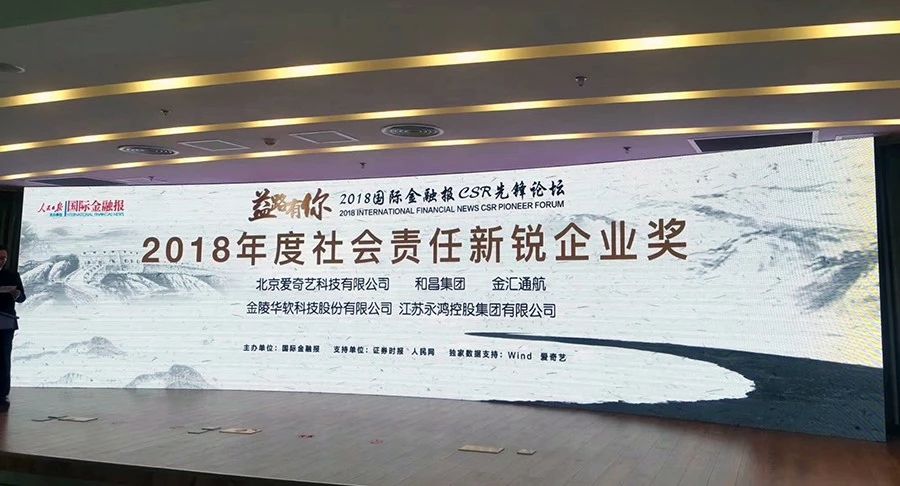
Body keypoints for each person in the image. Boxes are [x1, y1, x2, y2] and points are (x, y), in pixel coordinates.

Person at [0, 245, 25, 412]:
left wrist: (17, 294)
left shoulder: (12, 275)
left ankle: (2, 394)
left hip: (6, 322)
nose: (2, 261)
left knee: (3, 358)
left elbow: (22, 297)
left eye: (4, 258)